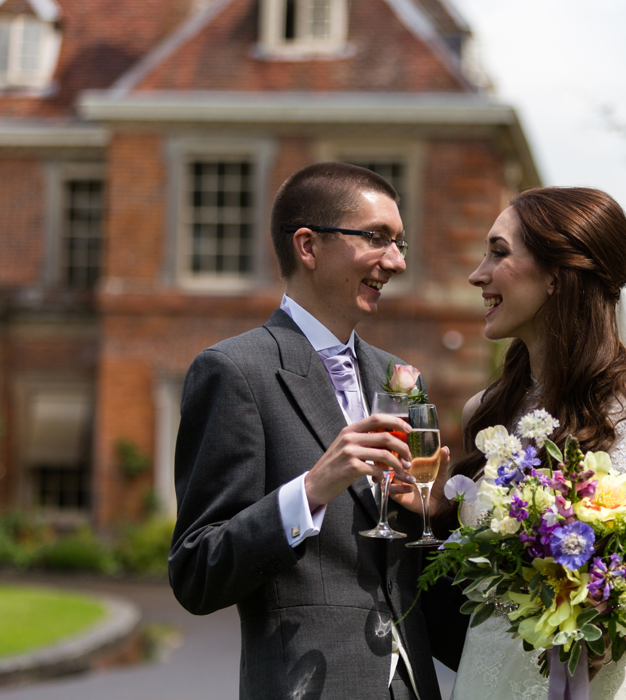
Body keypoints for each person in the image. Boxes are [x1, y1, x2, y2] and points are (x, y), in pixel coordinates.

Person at [169, 162, 457, 700]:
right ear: (308, 246)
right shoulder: (234, 372)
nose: (395, 261)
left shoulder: (402, 378)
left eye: (400, 244)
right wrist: (310, 490)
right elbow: (196, 572)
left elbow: (415, 580)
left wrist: (437, 513)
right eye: (377, 238)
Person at [446, 187, 626, 700]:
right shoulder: (485, 414)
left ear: (555, 276)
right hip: (488, 676)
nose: (478, 274)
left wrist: (616, 615)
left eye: (499, 253)